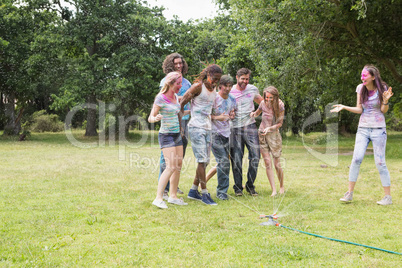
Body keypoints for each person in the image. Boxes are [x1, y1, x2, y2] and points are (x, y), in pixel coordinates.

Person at [331, 64, 394, 205]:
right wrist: (344, 107)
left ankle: (387, 197)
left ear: (373, 76)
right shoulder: (360, 88)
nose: (362, 77)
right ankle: (349, 194)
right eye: (362, 75)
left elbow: (383, 110)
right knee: (356, 159)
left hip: (378, 129)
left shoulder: (382, 88)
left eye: (365, 75)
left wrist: (385, 100)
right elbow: (360, 109)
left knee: (380, 162)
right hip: (363, 129)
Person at [180, 64, 223, 205]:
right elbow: (181, 102)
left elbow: (210, 109)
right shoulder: (198, 87)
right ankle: (204, 193)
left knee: (205, 161)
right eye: (214, 78)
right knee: (201, 160)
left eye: (218, 79)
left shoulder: (214, 89)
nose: (216, 82)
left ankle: (193, 190)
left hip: (207, 127)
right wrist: (181, 125)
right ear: (208, 74)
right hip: (196, 127)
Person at [149, 71, 188, 209]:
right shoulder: (161, 98)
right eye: (178, 83)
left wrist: (194, 111)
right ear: (171, 83)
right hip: (166, 136)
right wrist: (156, 118)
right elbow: (150, 117)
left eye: (181, 83)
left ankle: (173, 196)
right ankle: (158, 198)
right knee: (170, 166)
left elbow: (177, 112)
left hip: (177, 134)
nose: (180, 85)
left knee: (177, 166)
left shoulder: (176, 97)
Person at [158, 53, 192, 199]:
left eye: (181, 63)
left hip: (184, 119)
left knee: (179, 155)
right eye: (176, 63)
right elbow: (162, 99)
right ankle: (164, 189)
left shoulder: (187, 83)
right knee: (166, 156)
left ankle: (173, 187)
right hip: (171, 120)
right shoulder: (166, 81)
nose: (179, 65)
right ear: (170, 65)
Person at [230, 68, 263, 196]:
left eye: (247, 79)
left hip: (250, 126)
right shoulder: (230, 91)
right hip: (235, 128)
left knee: (255, 156)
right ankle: (238, 187)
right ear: (237, 77)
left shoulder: (253, 89)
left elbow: (263, 103)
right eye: (242, 78)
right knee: (237, 158)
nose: (245, 81)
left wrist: (256, 113)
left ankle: (250, 185)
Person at [250, 86, 285, 196]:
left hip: (274, 136)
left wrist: (270, 128)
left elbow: (280, 124)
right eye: (266, 97)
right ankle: (273, 190)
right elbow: (257, 113)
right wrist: (253, 114)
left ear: (275, 96)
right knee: (267, 163)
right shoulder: (262, 103)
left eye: (271, 98)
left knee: (276, 164)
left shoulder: (280, 105)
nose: (268, 100)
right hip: (262, 135)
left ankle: (281, 186)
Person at [210, 75, 237, 200]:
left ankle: (222, 190)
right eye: (225, 86)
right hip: (214, 133)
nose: (228, 88)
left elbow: (233, 113)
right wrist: (217, 118)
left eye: (230, 86)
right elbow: (204, 115)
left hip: (226, 133)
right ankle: (221, 192)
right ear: (220, 86)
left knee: (224, 163)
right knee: (223, 162)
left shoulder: (232, 99)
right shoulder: (213, 98)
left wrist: (232, 115)